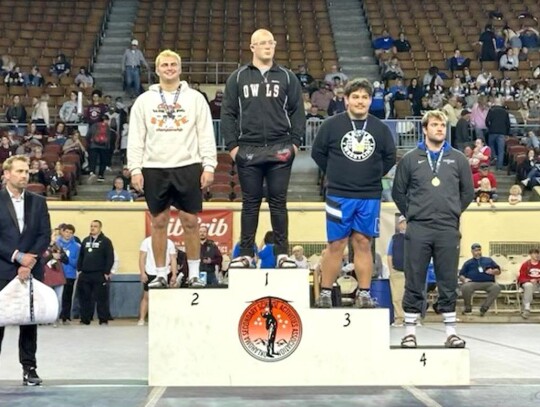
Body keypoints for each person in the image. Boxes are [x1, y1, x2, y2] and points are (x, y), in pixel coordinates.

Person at [127, 49, 217, 287]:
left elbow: (206, 134)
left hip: (188, 165)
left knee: (190, 221)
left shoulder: (195, 98)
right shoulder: (144, 101)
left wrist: (209, 165)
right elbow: (136, 137)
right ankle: (159, 274)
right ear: (157, 70)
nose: (169, 68)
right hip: (154, 166)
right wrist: (135, 168)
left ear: (179, 68)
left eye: (173, 64)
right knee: (158, 222)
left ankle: (195, 273)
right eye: (164, 65)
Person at [220, 28, 305, 269]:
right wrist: (232, 147)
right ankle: (246, 253)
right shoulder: (238, 78)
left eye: (271, 43)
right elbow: (228, 113)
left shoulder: (287, 77)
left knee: (279, 202)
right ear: (252, 47)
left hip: (280, 148)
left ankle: (281, 253)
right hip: (247, 148)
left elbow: (298, 111)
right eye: (263, 43)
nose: (268, 46)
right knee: (250, 202)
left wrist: (295, 143)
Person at [392, 110, 474, 349]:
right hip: (418, 228)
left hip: (448, 228)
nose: (440, 129)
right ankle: (410, 332)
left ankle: (450, 332)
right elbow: (399, 192)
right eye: (435, 125)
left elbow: (467, 192)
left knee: (448, 278)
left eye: (443, 125)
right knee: (414, 277)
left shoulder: (458, 159)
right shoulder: (410, 159)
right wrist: (414, 213)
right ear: (425, 129)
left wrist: (452, 212)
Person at [311, 78, 396, 308]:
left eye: (365, 97)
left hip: (369, 195)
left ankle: (364, 293)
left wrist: (370, 175)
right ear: (346, 100)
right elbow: (318, 153)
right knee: (336, 244)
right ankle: (326, 292)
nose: (360, 101)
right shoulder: (331, 125)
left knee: (363, 243)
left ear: (370, 101)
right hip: (338, 195)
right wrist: (337, 173)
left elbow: (389, 157)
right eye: (355, 97)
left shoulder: (380, 128)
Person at [0, 155, 51, 386]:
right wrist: (17, 256)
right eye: (19, 171)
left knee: (29, 322)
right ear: (7, 174)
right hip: (3, 268)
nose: (24, 175)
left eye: (27, 171)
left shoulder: (38, 201)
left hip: (31, 270)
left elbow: (44, 234)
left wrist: (28, 262)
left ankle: (29, 368)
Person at [76, 220, 115, 325]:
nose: (93, 228)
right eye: (91, 226)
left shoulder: (106, 241)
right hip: (85, 274)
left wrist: (106, 272)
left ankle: (103, 319)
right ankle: (85, 319)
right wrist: (79, 269)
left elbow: (110, 257)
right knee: (84, 297)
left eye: (95, 226)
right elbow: (81, 256)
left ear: (100, 228)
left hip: (99, 274)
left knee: (101, 298)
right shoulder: (85, 241)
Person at [137, 235, 177, 325]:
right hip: (150, 272)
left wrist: (174, 274)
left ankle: (165, 318)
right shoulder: (146, 242)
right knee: (146, 297)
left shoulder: (169, 243)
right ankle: (142, 319)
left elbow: (173, 259)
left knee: (165, 297)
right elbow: (142, 258)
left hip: (165, 273)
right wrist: (142, 273)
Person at [459, 243, 501, 316]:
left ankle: (484, 308)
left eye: (479, 250)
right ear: (472, 252)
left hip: (488, 283)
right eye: (476, 250)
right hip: (473, 283)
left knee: (496, 288)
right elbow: (461, 275)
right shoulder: (468, 263)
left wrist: (493, 271)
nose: (478, 252)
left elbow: (498, 270)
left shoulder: (488, 260)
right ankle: (468, 308)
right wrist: (464, 279)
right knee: (465, 287)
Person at [55, 224, 80, 325]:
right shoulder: (56, 244)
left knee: (67, 296)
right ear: (62, 232)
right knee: (57, 297)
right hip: (57, 273)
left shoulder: (77, 246)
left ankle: (65, 316)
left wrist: (66, 258)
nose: (68, 234)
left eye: (71, 233)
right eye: (66, 232)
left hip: (70, 274)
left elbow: (76, 262)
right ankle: (55, 316)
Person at [387, 215, 407, 326]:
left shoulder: (415, 237)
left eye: (407, 222)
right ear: (399, 225)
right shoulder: (394, 238)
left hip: (412, 272)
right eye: (403, 223)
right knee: (397, 297)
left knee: (413, 295)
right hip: (397, 271)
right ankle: (399, 318)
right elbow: (389, 255)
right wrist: (391, 271)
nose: (405, 225)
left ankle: (414, 318)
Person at [518, 248, 540, 319]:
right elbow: (521, 278)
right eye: (534, 253)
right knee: (529, 286)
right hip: (528, 283)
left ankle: (525, 308)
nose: (536, 255)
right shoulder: (525, 265)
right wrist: (530, 280)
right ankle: (527, 308)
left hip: (538, 284)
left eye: (537, 253)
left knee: (529, 289)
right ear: (530, 255)